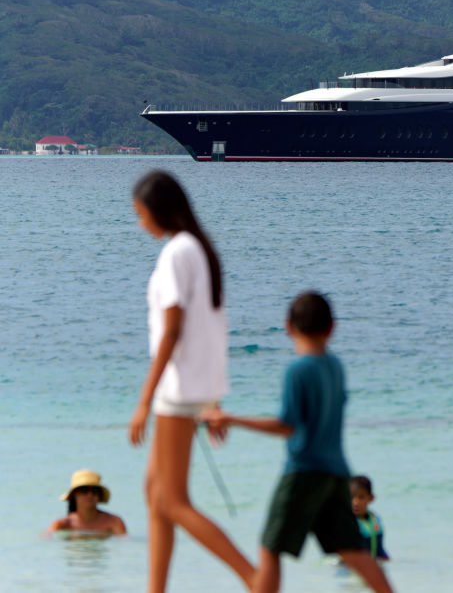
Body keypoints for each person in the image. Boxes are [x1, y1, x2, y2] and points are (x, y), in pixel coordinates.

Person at [202, 292, 393, 593]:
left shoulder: (298, 370)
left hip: (304, 471)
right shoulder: (335, 366)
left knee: (270, 549)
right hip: (337, 473)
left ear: (288, 326)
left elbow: (287, 426)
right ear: (332, 327)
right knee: (354, 552)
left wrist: (230, 419)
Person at [128, 170, 255, 591]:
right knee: (154, 491)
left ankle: (255, 578)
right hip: (193, 387)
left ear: (157, 210)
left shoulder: (177, 253)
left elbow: (173, 330)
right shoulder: (197, 247)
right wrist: (211, 400)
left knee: (173, 501)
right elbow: (208, 328)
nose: (140, 222)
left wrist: (145, 400)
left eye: (141, 214)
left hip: (177, 390)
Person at [48, 469, 127, 536]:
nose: (90, 495)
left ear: (99, 495)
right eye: (84, 491)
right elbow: (46, 540)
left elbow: (124, 545)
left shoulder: (113, 522)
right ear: (74, 495)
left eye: (95, 491)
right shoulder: (62, 524)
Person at [350, 475, 390, 560]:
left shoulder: (375, 518)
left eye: (361, 497)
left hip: (375, 562)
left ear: (371, 498)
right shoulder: (347, 522)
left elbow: (380, 548)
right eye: (351, 497)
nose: (355, 502)